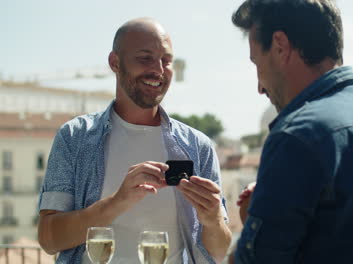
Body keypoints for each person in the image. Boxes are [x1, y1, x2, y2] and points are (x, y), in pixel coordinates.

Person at [230, 0, 353, 263]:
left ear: (279, 45)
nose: (260, 87)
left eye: (256, 63)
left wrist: (255, 221)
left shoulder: (298, 135)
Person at [37, 17, 232, 264]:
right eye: (145, 58)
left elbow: (219, 249)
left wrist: (212, 220)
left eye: (166, 61)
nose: (159, 70)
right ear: (114, 62)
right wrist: (118, 202)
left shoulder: (198, 146)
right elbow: (48, 239)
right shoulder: (75, 137)